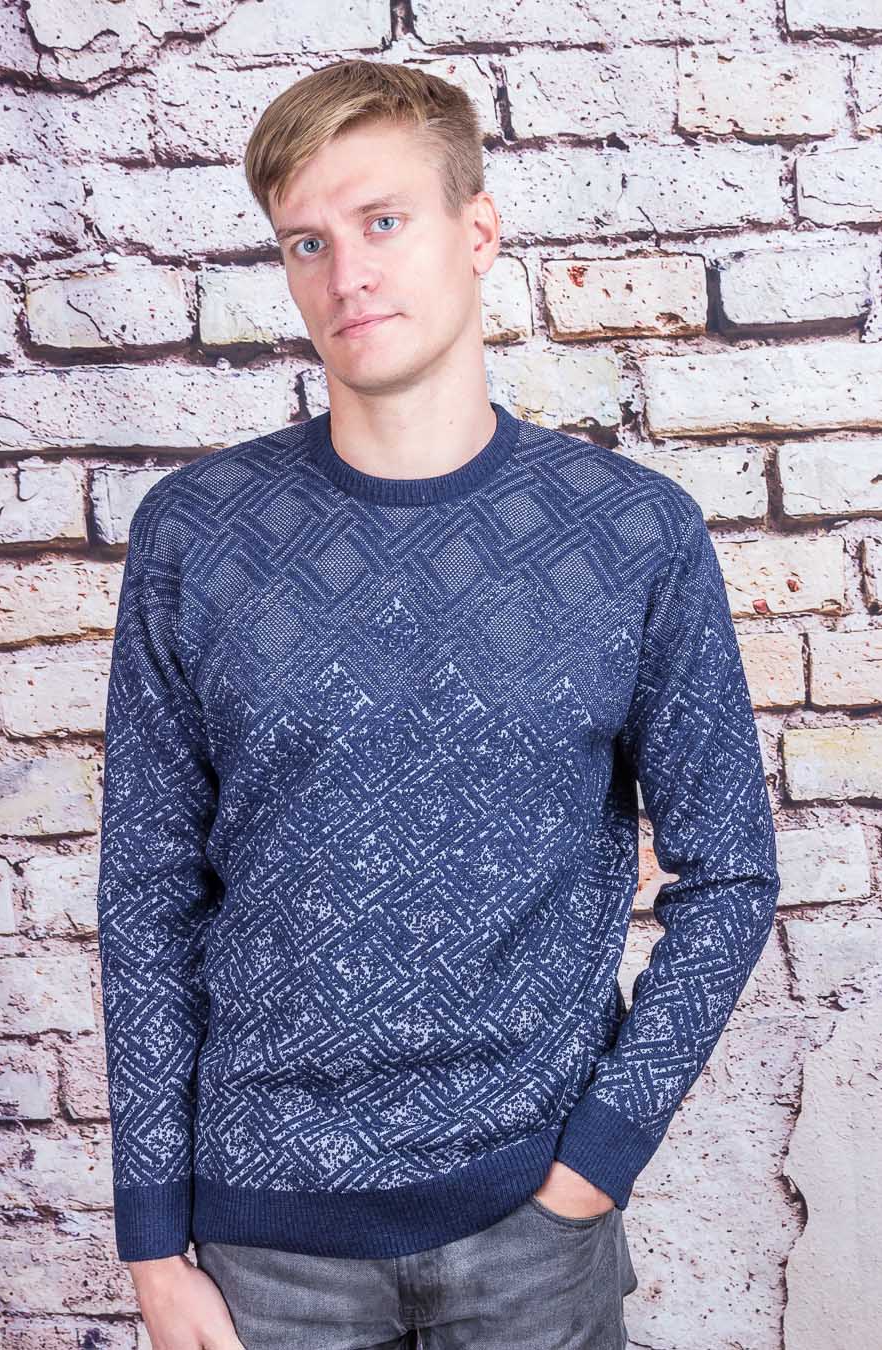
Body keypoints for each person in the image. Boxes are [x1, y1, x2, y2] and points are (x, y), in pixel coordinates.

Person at [95, 56, 781, 1350]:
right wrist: (149, 1246)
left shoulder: (635, 535)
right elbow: (144, 894)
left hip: (533, 1230)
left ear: (479, 231)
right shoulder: (194, 535)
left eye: (383, 222)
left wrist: (595, 1164)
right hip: (265, 1250)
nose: (346, 273)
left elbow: (731, 872)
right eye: (308, 242)